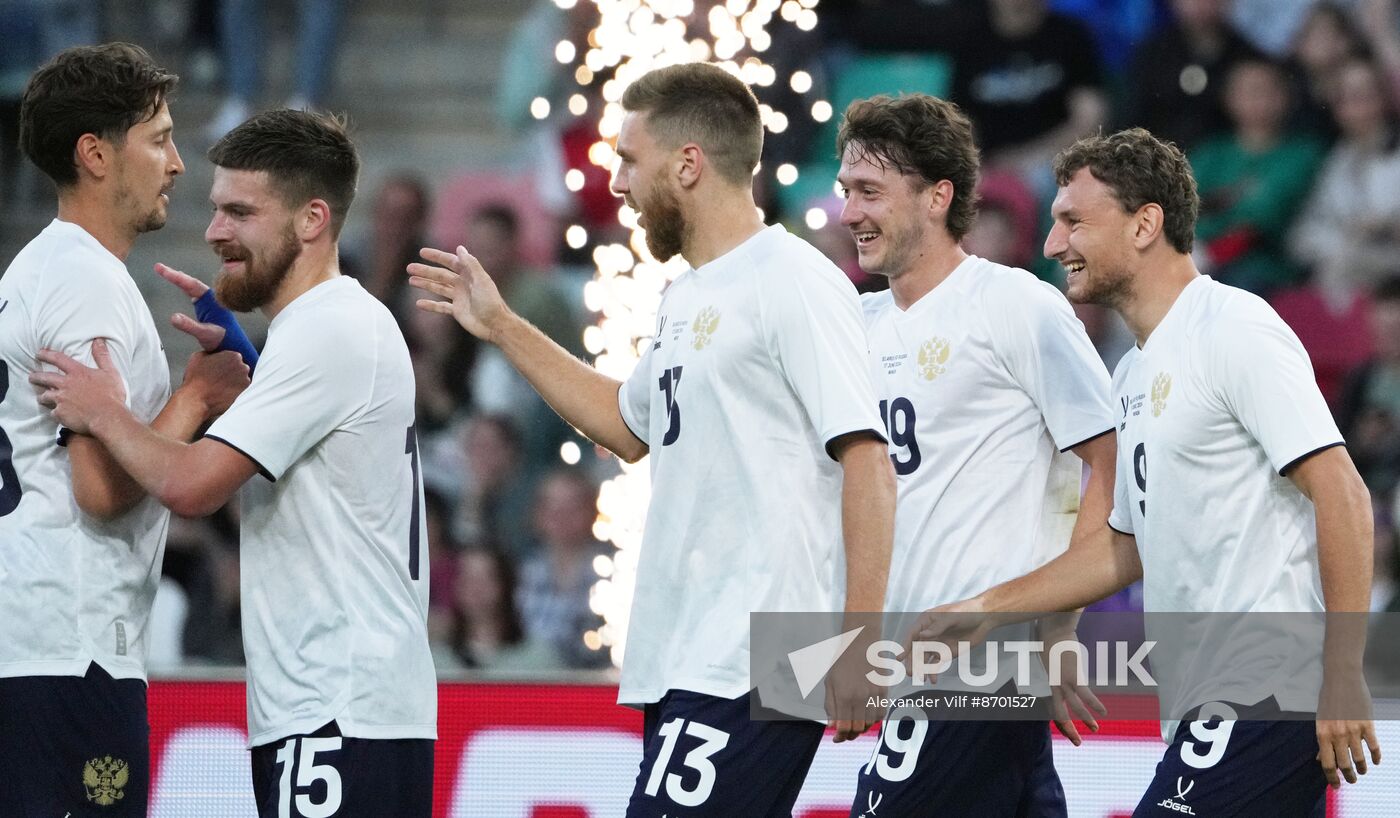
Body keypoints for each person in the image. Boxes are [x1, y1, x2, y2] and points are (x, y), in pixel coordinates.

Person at [407, 61, 896, 816]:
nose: (620, 185)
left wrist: (861, 644)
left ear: (688, 164)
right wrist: (502, 326)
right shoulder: (688, 295)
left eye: (630, 161)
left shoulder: (793, 280)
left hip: (758, 650)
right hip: (684, 648)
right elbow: (626, 427)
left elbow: (866, 458)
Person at [916, 128, 1381, 814]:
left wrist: (1342, 674)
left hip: (1267, 689)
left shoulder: (1233, 328)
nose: (1052, 245)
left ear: (1145, 224)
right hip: (1206, 702)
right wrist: (987, 610)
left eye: (1073, 220)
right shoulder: (1132, 371)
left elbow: (1342, 492)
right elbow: (1124, 547)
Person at [30, 109, 437, 818]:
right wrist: (249, 362)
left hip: (337, 712)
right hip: (343, 710)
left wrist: (103, 410)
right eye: (217, 209)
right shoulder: (326, 327)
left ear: (313, 220)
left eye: (240, 213)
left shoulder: (328, 329)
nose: (216, 231)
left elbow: (191, 487)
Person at [835, 93, 1117, 817]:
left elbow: (1113, 467)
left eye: (869, 192)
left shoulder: (1016, 307)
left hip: (971, 668)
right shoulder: (849, 326)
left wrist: (1059, 628)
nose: (848, 214)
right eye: (845, 192)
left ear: (938, 196)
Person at [0, 42, 249, 817]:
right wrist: (199, 396)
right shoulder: (86, 284)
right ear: (96, 154)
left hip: (32, 641)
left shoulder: (38, 270)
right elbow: (101, 488)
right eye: (160, 137)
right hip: (68, 648)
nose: (177, 163)